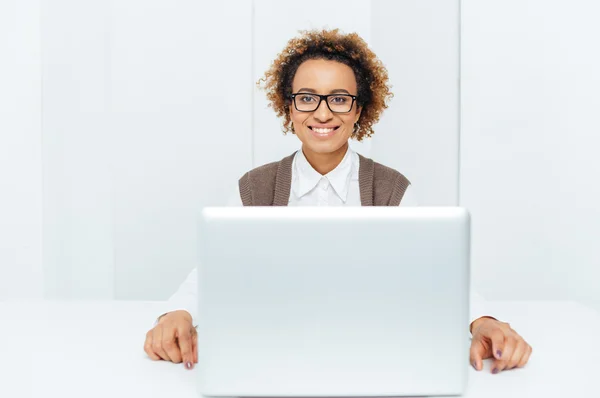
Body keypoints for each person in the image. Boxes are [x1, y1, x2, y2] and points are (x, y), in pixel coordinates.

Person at [143, 28, 532, 374]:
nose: (323, 113)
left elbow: (438, 271)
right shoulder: (254, 189)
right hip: (273, 351)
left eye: (340, 99)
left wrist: (483, 321)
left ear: (359, 109)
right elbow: (211, 268)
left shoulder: (391, 190)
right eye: (308, 98)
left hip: (371, 352)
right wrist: (176, 313)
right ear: (289, 107)